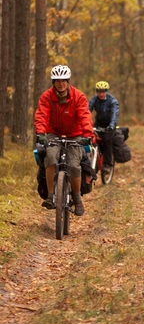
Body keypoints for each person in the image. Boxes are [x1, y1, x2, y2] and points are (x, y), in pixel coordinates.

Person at [34, 65, 94, 216]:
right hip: (53, 133)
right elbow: (41, 115)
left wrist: (87, 135)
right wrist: (41, 133)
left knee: (74, 165)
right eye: (57, 81)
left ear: (68, 81)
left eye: (63, 80)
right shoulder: (46, 96)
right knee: (50, 158)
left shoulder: (78, 96)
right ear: (53, 82)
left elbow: (85, 116)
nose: (61, 84)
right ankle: (50, 195)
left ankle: (77, 199)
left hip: (75, 135)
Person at [88, 81, 120, 173]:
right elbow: (87, 111)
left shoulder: (112, 101)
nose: (101, 94)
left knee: (107, 140)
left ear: (106, 91)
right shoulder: (94, 99)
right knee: (90, 138)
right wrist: (85, 123)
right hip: (98, 123)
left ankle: (107, 164)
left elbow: (114, 114)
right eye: (99, 92)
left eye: (103, 91)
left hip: (109, 124)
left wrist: (111, 125)